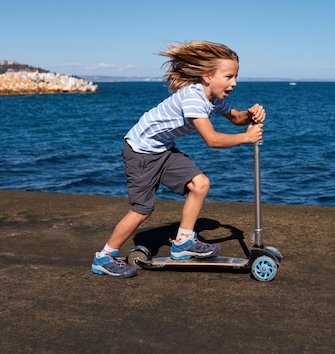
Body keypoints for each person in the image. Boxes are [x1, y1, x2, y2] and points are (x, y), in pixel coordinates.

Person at [91, 41, 265, 278]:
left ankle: (183, 242)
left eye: (235, 77)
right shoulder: (193, 98)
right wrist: (246, 138)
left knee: (200, 184)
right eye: (228, 77)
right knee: (142, 210)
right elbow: (212, 140)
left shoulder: (214, 98)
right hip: (140, 151)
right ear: (207, 76)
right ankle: (104, 256)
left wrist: (250, 113)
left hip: (162, 149)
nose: (233, 83)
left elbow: (236, 118)